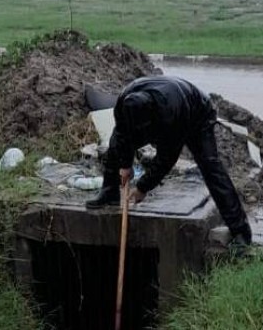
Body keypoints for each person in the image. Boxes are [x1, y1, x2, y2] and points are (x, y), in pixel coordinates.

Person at [86, 76, 252, 246]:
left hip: (197, 113)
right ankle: (109, 192)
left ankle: (240, 231)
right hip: (164, 105)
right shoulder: (124, 104)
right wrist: (125, 165)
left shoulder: (170, 113)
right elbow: (122, 136)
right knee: (115, 146)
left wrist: (143, 187)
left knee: (210, 167)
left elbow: (167, 158)